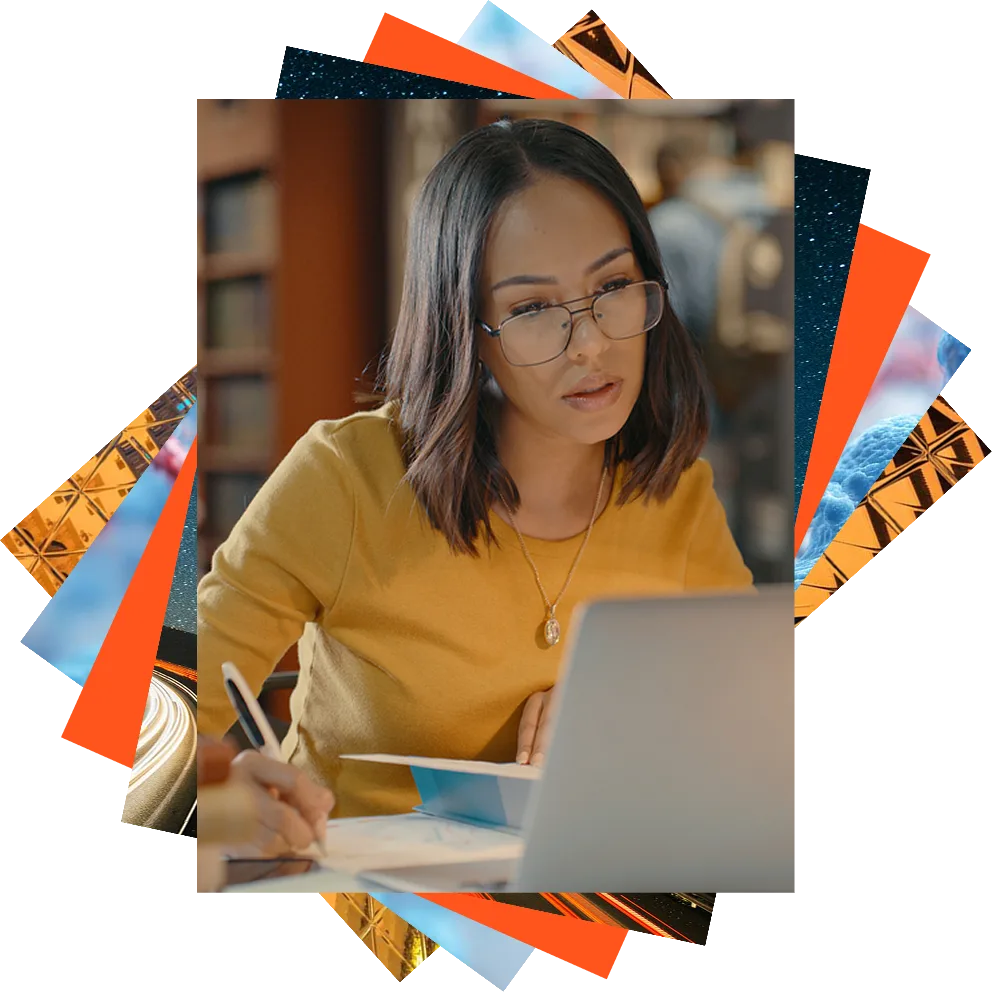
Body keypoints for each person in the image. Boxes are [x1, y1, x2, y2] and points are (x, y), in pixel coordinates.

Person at [197, 117, 753, 858]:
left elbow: (751, 723)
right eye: (531, 309)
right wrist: (214, 794)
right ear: (466, 328)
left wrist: (635, 710)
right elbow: (150, 710)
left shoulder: (677, 493)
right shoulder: (345, 477)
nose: (591, 344)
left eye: (614, 286)